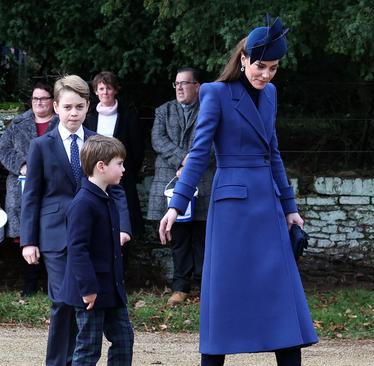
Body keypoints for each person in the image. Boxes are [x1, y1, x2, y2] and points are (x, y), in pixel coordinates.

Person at [158, 15, 318, 366]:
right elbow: (199, 153)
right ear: (243, 58)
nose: (267, 74)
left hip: (269, 205)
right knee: (225, 297)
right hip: (231, 209)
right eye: (261, 66)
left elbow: (273, 151)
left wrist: (290, 206)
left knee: (279, 294)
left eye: (274, 68)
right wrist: (176, 205)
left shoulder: (271, 94)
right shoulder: (215, 93)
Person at [20, 74, 132, 366]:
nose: (73, 113)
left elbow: (116, 189)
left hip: (95, 237)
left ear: (88, 106)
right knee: (64, 302)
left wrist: (122, 226)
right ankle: (59, 362)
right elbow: (32, 195)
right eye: (67, 107)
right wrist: (28, 240)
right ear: (55, 107)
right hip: (56, 236)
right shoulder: (41, 146)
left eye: (80, 107)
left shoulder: (98, 142)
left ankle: (82, 358)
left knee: (88, 301)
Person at [61, 135, 134, 365]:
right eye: (119, 164)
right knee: (89, 349)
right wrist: (88, 289)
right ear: (101, 167)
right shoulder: (83, 203)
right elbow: (77, 249)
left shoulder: (107, 197)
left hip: (111, 289)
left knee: (124, 339)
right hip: (90, 291)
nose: (123, 169)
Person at [146, 67, 214, 306]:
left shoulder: (209, 108)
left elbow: (214, 141)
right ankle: (180, 287)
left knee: (203, 236)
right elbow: (158, 140)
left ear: (198, 86)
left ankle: (204, 286)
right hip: (171, 178)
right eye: (176, 84)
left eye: (185, 83)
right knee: (179, 236)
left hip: (203, 179)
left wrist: (191, 163)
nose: (180, 88)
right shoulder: (163, 110)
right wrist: (183, 159)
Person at [0, 81, 57, 296]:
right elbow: (3, 149)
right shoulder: (18, 123)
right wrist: (22, 166)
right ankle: (29, 287)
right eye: (35, 99)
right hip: (20, 187)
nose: (39, 103)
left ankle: (51, 286)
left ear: (53, 101)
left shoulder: (62, 122)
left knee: (50, 232)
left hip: (53, 187)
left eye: (44, 98)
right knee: (25, 234)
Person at [84, 71, 144, 237]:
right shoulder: (89, 118)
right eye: (101, 88)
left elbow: (137, 148)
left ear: (115, 90)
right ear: (96, 91)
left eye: (109, 88)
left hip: (123, 177)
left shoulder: (128, 116)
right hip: (95, 177)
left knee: (124, 222)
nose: (105, 92)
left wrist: (126, 170)